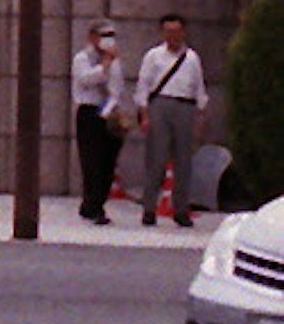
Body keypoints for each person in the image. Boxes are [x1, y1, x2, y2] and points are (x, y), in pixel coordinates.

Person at [127, 12, 210, 229]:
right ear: (162, 33)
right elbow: (143, 88)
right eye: (168, 31)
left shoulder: (192, 58)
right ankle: (149, 209)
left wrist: (200, 118)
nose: (172, 35)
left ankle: (181, 210)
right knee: (156, 159)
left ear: (183, 32)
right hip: (160, 106)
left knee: (184, 162)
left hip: (186, 107)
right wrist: (144, 115)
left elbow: (199, 89)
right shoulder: (153, 56)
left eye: (176, 31)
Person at [70, 22, 130, 225]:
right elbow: (85, 80)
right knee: (91, 160)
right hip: (89, 111)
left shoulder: (114, 61)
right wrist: (103, 65)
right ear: (92, 37)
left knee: (108, 160)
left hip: (108, 111)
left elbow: (117, 86)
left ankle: (97, 202)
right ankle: (92, 205)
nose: (107, 39)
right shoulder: (82, 58)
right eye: (103, 35)